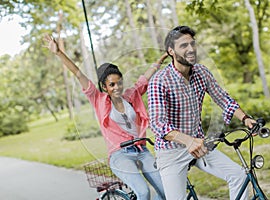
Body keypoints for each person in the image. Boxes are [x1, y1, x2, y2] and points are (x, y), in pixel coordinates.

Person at [44, 34, 167, 200]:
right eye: (112, 84)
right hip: (120, 155)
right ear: (104, 86)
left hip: (141, 150)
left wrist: (158, 63)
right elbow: (78, 74)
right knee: (143, 192)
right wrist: (59, 53)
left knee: (166, 191)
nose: (117, 87)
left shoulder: (130, 95)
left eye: (119, 82)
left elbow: (143, 79)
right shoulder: (98, 99)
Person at [147, 25, 257, 200]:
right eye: (183, 46)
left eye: (192, 44)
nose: (190, 49)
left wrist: (245, 118)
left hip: (199, 144)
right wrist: (187, 140)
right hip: (171, 151)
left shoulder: (201, 72)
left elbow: (223, 98)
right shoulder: (159, 81)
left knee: (239, 175)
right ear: (171, 51)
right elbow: (157, 123)